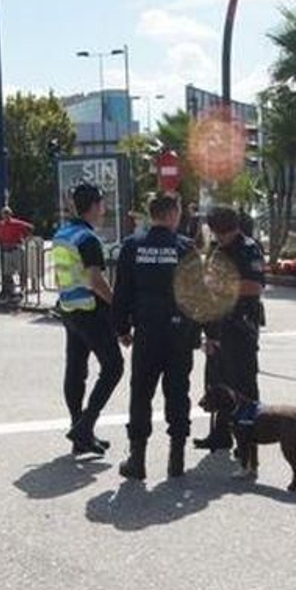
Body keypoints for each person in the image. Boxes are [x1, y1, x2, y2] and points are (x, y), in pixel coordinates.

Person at [112, 192, 201, 480]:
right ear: (174, 213)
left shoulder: (132, 247)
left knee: (141, 393)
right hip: (179, 332)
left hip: (147, 331)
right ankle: (177, 459)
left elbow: (122, 292)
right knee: (178, 392)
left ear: (152, 215)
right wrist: (203, 334)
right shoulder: (186, 247)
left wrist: (122, 329)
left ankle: (137, 461)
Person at [53, 182, 123, 455]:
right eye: (103, 204)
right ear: (94, 206)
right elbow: (96, 281)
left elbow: (61, 276)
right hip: (90, 310)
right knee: (114, 367)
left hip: (69, 308)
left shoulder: (63, 234)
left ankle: (80, 433)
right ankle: (85, 425)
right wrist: (119, 306)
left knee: (76, 369)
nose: (104, 209)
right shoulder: (88, 239)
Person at [193, 206, 266, 453]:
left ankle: (248, 437)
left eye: (220, 233)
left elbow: (253, 286)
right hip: (217, 325)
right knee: (217, 383)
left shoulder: (248, 248)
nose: (217, 237)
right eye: (215, 233)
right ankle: (221, 434)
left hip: (240, 325)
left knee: (243, 383)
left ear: (233, 228)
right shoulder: (217, 249)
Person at [0, 206, 33, 302]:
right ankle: (12, 290)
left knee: (21, 270)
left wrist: (26, 239)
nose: (6, 216)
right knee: (7, 273)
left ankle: (22, 289)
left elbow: (30, 227)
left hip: (16, 249)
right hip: (7, 251)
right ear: (2, 215)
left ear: (10, 214)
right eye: (4, 214)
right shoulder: (0, 225)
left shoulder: (17, 223)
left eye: (7, 214)